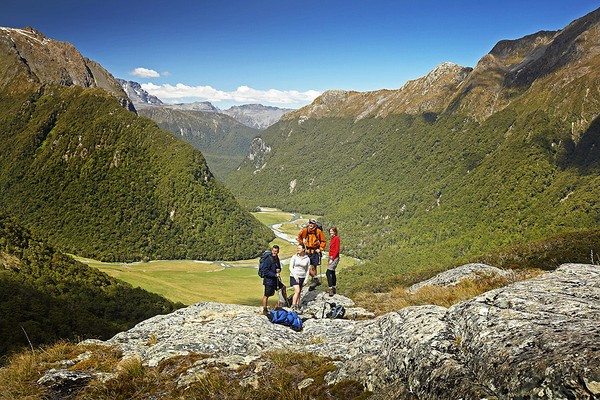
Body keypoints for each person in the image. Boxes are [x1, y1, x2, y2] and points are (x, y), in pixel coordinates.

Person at [297, 219, 327, 290]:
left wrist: (320, 249)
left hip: (314, 252)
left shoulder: (318, 231)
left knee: (313, 267)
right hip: (307, 251)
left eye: (312, 223)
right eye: (310, 223)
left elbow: (323, 241)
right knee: (305, 266)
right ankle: (315, 279)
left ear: (315, 224)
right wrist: (301, 244)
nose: (310, 224)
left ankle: (314, 282)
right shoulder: (305, 230)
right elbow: (299, 236)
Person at [261, 245, 282, 315]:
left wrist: (279, 270)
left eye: (276, 251)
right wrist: (274, 275)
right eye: (273, 251)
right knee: (266, 295)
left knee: (283, 288)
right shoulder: (268, 259)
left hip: (274, 280)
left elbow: (278, 267)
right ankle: (264, 309)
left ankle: (286, 303)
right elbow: (265, 271)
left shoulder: (277, 258)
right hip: (268, 280)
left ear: (278, 252)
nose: (274, 253)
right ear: (271, 250)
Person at [289, 243, 311, 311]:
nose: (298, 249)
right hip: (294, 276)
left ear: (303, 249)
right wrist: (295, 276)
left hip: (302, 277)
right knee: (297, 291)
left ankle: (298, 306)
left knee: (299, 292)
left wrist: (306, 280)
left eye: (299, 248)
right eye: (297, 248)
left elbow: (307, 270)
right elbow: (290, 267)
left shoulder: (307, 259)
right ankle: (293, 306)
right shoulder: (294, 257)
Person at [327, 226, 340, 297]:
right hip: (331, 257)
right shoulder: (333, 238)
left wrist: (332, 259)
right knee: (332, 272)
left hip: (334, 257)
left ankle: (330, 289)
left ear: (335, 231)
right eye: (330, 231)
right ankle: (334, 288)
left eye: (332, 231)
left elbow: (337, 250)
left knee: (328, 273)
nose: (331, 232)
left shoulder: (336, 238)